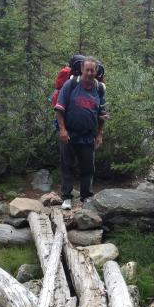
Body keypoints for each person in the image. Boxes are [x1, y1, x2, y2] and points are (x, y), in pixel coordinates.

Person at [54, 56, 107, 210]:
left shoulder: (99, 89)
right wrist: (62, 130)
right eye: (87, 70)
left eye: (93, 70)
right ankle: (67, 197)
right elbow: (59, 109)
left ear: (96, 71)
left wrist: (99, 134)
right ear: (82, 70)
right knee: (67, 166)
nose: (90, 73)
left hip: (88, 135)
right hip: (69, 133)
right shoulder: (71, 84)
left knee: (88, 167)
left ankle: (86, 197)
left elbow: (102, 114)